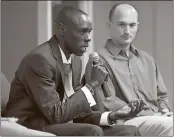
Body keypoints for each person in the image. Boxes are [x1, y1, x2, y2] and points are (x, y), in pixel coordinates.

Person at [3, 6, 141, 136]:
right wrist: (91, 85)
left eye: (89, 31)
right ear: (62, 29)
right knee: (92, 132)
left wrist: (113, 116)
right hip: (32, 123)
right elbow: (55, 114)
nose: (88, 38)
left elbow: (77, 111)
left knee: (130, 131)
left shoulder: (75, 61)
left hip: (60, 122)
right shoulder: (40, 60)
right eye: (82, 31)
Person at [94, 3, 173, 136]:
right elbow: (108, 102)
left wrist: (164, 110)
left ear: (137, 25)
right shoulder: (99, 60)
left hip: (155, 119)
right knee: (171, 126)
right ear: (109, 25)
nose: (127, 31)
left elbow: (161, 96)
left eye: (132, 25)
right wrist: (147, 113)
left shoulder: (147, 60)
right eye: (121, 25)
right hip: (125, 122)